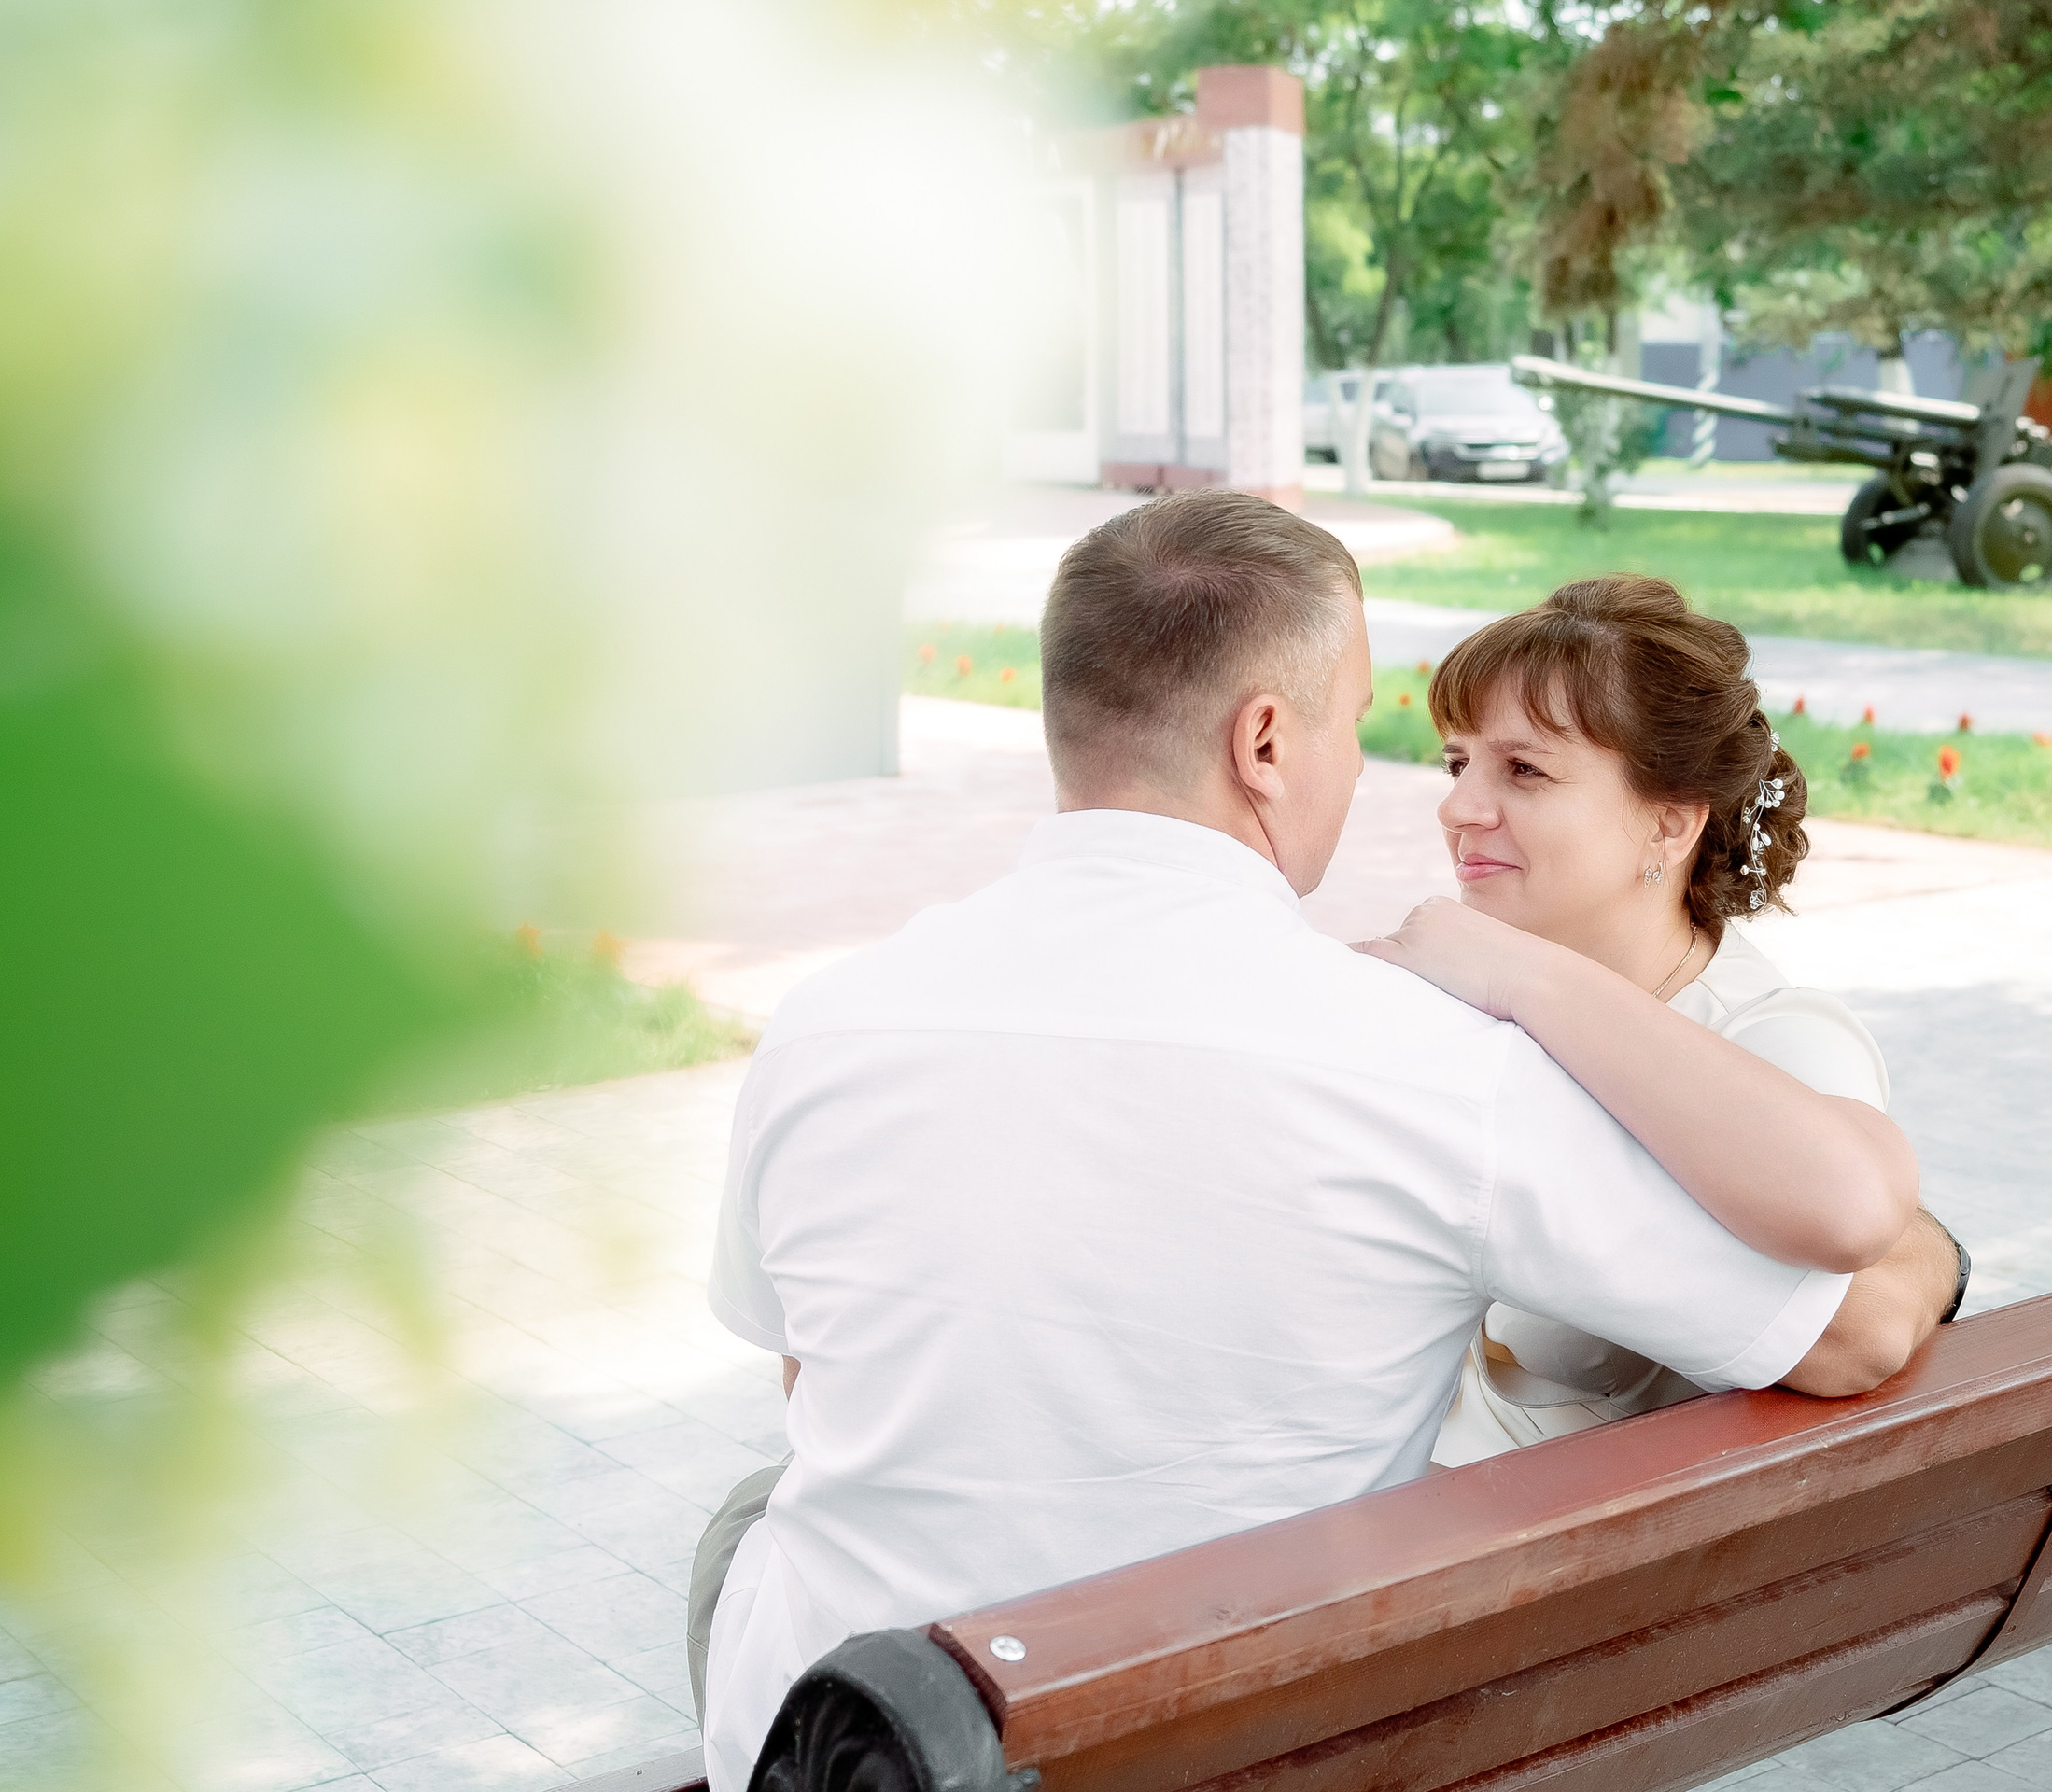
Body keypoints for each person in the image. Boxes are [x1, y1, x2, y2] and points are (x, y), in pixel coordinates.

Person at [691, 490, 1961, 1792]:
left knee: (754, 1522)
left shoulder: (821, 1025)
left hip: (832, 1728)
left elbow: (818, 1391)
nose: (1407, 786)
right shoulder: (1437, 1070)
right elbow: (1851, 1326)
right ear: (1263, 743)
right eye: (1360, 726)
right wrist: (1940, 1254)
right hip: (1212, 1742)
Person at [1349, 578, 1962, 1462]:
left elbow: (1856, 1313)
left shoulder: (1774, 1036)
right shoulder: (1457, 986)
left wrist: (1524, 976)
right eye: (1458, 763)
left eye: (1523, 769)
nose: (1458, 808)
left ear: (1669, 826)